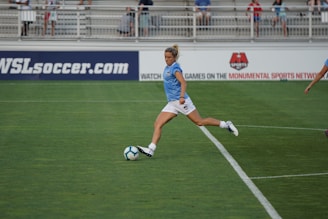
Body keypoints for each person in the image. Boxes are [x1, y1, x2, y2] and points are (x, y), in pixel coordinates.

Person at [137, 45, 239, 158]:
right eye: (165, 57)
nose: (166, 59)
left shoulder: (175, 69)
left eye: (169, 57)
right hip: (172, 103)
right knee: (157, 123)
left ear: (174, 58)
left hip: (182, 101)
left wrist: (181, 97)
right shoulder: (168, 67)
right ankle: (151, 149)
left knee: (199, 122)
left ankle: (226, 124)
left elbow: (184, 83)